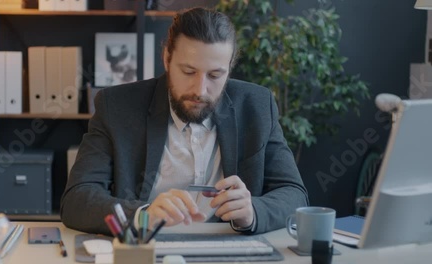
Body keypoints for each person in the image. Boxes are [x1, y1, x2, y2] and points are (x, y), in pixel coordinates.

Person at [61, 7, 308, 235]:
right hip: (149, 247)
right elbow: (77, 199)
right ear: (167, 58)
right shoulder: (117, 106)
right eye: (188, 72)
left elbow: (295, 194)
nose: (200, 89)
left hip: (231, 246)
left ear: (230, 67)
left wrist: (253, 211)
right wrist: (143, 216)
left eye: (215, 75)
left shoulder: (258, 105)